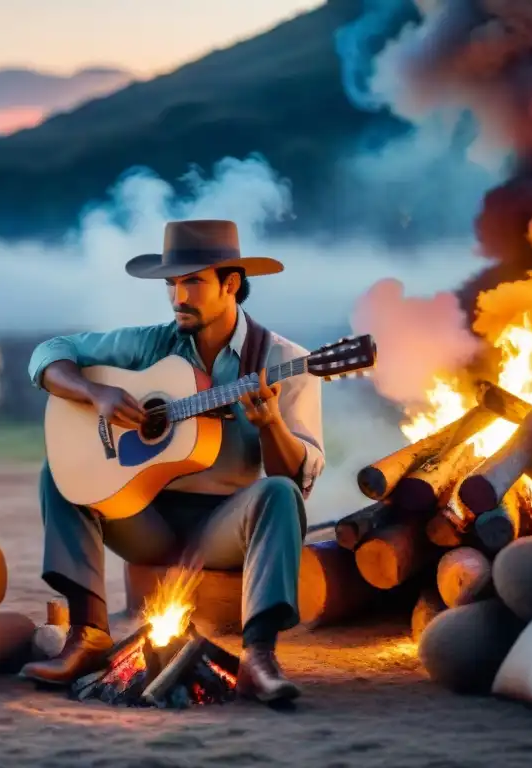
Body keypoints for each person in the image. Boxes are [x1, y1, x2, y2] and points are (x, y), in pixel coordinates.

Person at [19, 220, 323, 705]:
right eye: (172, 285)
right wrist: (96, 392)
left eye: (192, 282)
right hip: (147, 518)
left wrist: (271, 426)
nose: (178, 297)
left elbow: (295, 477)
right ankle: (88, 635)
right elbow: (49, 354)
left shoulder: (287, 361)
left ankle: (259, 656)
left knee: (279, 495)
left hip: (223, 525)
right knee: (60, 474)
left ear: (231, 283)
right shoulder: (150, 346)